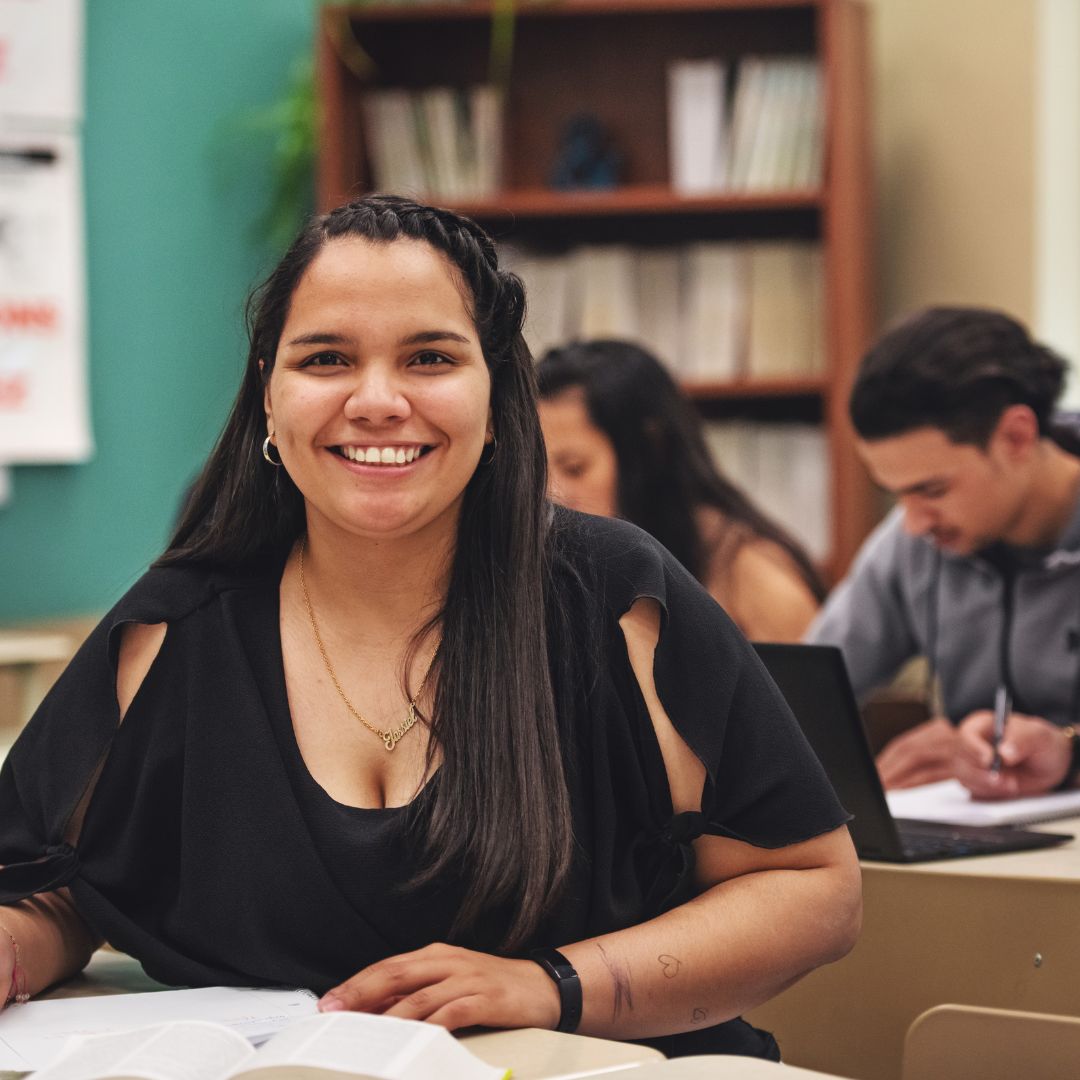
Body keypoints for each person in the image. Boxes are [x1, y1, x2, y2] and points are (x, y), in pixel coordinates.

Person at [0, 197, 859, 1059]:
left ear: (495, 392)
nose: (377, 402)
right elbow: (61, 890)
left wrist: (552, 985)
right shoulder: (173, 629)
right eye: (327, 358)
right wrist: (14, 947)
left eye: (429, 358)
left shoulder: (618, 598)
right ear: (269, 392)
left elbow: (811, 889)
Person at [807, 306, 1080, 796]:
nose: (912, 524)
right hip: (983, 844)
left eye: (931, 490)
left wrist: (1068, 751)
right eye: (896, 494)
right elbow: (799, 696)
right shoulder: (915, 540)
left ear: (1016, 437)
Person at [536, 340, 825, 642]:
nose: (551, 493)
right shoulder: (570, 566)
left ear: (648, 449)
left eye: (574, 468)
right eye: (538, 468)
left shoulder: (754, 578)